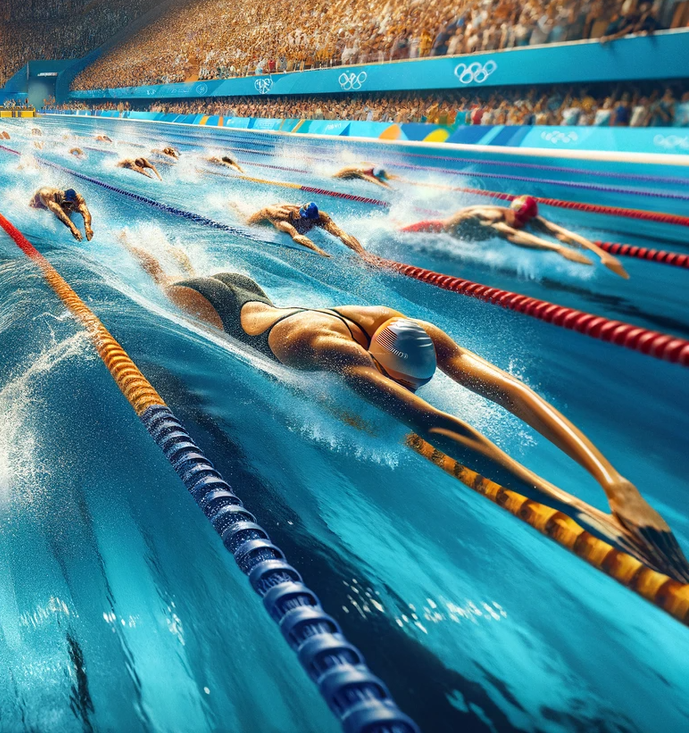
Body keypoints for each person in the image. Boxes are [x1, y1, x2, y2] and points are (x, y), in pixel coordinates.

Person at [117, 233, 688, 583]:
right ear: (376, 363)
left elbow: (514, 393)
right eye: (404, 386)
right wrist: (573, 507)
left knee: (186, 261)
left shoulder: (407, 332)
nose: (411, 395)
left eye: (417, 385)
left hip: (258, 297)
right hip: (216, 306)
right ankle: (143, 251)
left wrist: (614, 483)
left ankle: (176, 253)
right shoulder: (331, 351)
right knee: (167, 274)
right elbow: (437, 425)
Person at [407, 197, 628, 277]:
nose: (523, 226)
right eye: (521, 222)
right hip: (436, 231)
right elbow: (511, 235)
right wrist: (557, 249)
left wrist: (601, 253)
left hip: (461, 236)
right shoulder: (491, 218)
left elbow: (560, 232)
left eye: (526, 222)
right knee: (398, 232)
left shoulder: (525, 217)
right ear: (513, 213)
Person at [245, 201, 365, 258]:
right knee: (247, 222)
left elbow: (340, 233)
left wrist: (362, 253)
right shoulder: (284, 218)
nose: (308, 221)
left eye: (311, 219)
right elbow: (296, 235)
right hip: (265, 214)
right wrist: (319, 250)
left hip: (289, 207)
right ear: (298, 214)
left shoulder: (320, 216)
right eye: (305, 218)